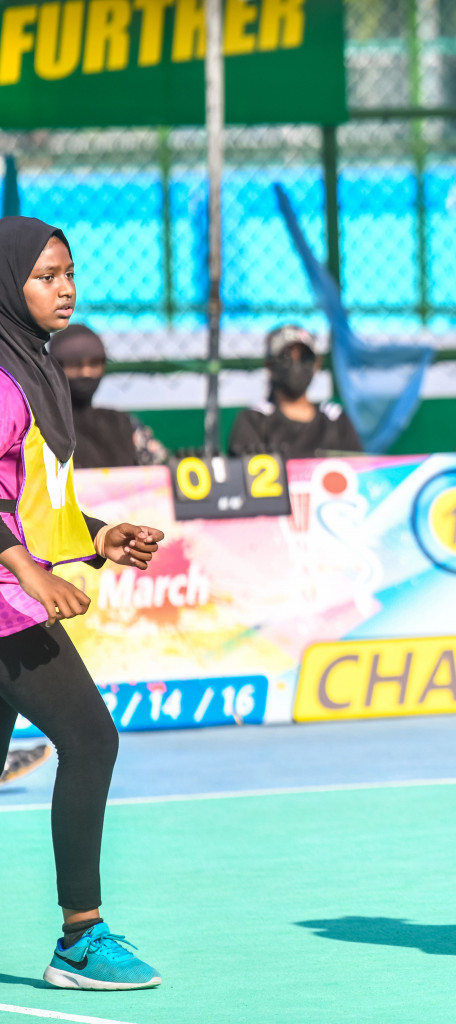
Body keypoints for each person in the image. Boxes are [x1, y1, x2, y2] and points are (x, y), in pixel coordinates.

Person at [0, 217, 167, 990]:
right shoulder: (2, 376)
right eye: (44, 275)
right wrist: (32, 576)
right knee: (92, 739)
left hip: (12, 588)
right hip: (6, 602)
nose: (64, 288)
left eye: (69, 272)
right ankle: (80, 938)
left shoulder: (33, 368)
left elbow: (37, 504)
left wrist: (99, 538)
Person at [229, 325, 362, 459]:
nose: (296, 366)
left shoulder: (336, 421)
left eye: (304, 358)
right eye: (286, 358)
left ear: (316, 364)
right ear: (270, 365)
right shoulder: (255, 421)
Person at [47, 324, 168, 469]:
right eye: (75, 365)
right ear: (56, 367)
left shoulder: (122, 425)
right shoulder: (41, 426)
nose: (87, 373)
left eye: (94, 363)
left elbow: (162, 474)